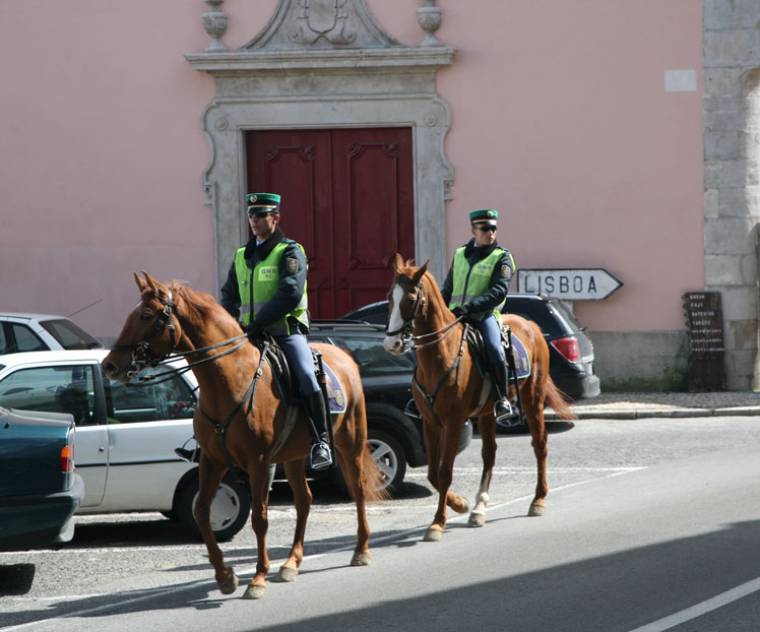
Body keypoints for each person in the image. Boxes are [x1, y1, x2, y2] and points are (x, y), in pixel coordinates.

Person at [220, 192, 333, 470]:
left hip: (284, 332)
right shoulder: (241, 256)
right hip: (249, 335)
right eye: (251, 215)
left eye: (260, 215)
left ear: (275, 218)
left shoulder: (290, 251)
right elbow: (228, 294)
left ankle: (321, 441)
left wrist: (257, 323)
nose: (254, 221)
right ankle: (209, 441)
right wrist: (231, 325)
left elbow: (290, 293)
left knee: (307, 375)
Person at [441, 208, 517, 427]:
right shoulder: (459, 254)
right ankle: (419, 397)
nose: (490, 233)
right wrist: (441, 308)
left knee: (494, 348)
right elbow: (448, 288)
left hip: (483, 315)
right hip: (455, 315)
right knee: (427, 343)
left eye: (493, 228)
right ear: (474, 230)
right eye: (484, 229)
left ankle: (502, 399)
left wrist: (471, 307)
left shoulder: (502, 257)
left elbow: (499, 291)